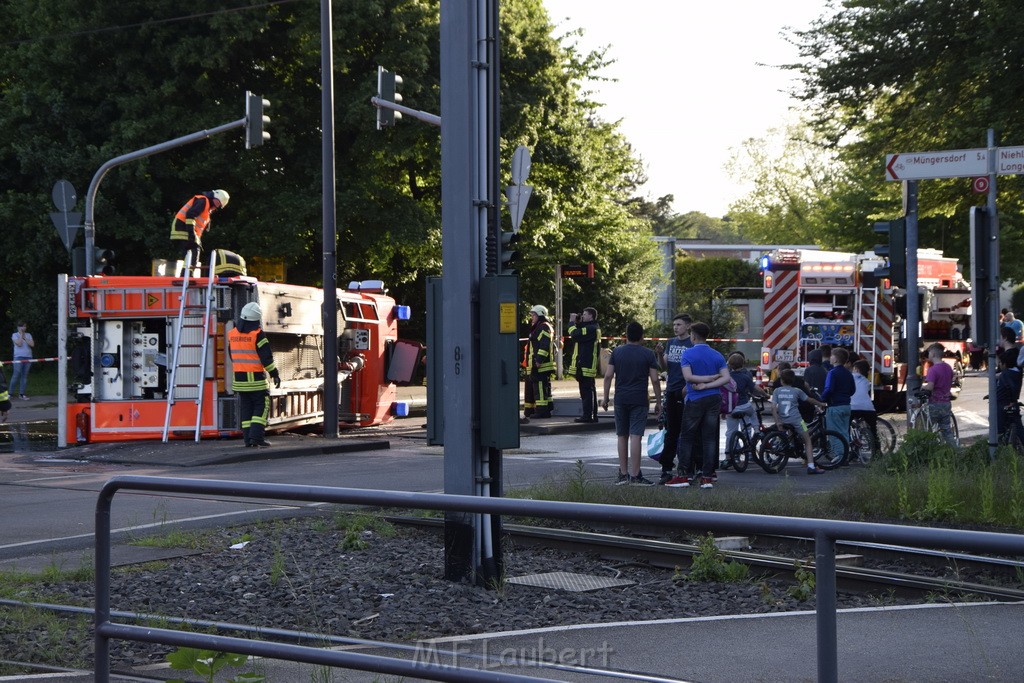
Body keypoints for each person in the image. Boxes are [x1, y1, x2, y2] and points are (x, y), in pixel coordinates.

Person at [666, 322, 731, 489]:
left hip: (695, 399)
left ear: (693, 336)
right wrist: (710, 382)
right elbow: (726, 378)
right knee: (709, 438)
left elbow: (688, 377)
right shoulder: (717, 355)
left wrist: (703, 383)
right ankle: (707, 477)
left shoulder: (688, 354)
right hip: (714, 398)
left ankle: (683, 476)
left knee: (687, 437)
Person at [601, 322, 661, 485]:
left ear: (626, 335)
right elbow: (655, 379)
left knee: (622, 436)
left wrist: (606, 398)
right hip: (640, 399)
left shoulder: (617, 352)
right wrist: (659, 402)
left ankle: (623, 474)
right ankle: (635, 476)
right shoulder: (648, 354)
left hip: (620, 399)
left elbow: (608, 376)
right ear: (642, 336)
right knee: (636, 435)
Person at [228, 301, 281, 447]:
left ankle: (247, 440)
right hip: (256, 381)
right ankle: (256, 438)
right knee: (261, 406)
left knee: (246, 410)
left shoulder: (232, 334)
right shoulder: (257, 335)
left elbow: (232, 356)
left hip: (239, 381)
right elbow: (266, 358)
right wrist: (274, 373)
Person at [654, 313, 693, 483]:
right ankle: (666, 467)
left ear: (687, 326)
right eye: (674, 324)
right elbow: (665, 366)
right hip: (671, 390)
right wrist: (659, 354)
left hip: (686, 391)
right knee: (671, 431)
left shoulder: (692, 343)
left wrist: (689, 386)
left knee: (687, 431)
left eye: (679, 324)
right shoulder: (671, 342)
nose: (676, 327)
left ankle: (688, 467)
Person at [770, 369, 827, 475]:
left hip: (783, 419)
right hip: (797, 421)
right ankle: (811, 466)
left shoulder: (777, 391)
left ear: (781, 381)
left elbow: (773, 408)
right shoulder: (797, 391)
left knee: (790, 433)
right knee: (808, 440)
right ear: (793, 380)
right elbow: (810, 400)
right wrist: (821, 404)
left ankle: (791, 447)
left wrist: (777, 422)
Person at [723, 352, 768, 468]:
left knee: (730, 432)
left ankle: (728, 456)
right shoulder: (745, 376)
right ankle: (757, 431)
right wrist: (765, 395)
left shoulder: (727, 377)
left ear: (730, 364)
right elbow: (755, 389)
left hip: (731, 408)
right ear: (743, 364)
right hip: (744, 405)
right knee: (752, 415)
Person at [170, 190, 230, 275]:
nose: (216, 207)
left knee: (190, 254)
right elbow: (190, 215)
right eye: (218, 204)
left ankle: (185, 275)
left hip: (184, 230)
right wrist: (192, 235)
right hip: (183, 229)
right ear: (215, 198)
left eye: (219, 206)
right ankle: (187, 276)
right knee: (194, 251)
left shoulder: (206, 207)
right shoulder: (203, 201)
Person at [567, 308, 601, 423]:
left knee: (586, 392)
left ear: (591, 316)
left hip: (586, 364)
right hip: (585, 364)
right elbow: (581, 332)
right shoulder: (591, 327)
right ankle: (592, 415)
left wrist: (571, 322)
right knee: (588, 390)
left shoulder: (591, 328)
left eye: (585, 314)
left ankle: (588, 416)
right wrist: (578, 322)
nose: (583, 316)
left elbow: (575, 335)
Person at [920, 343, 957, 446]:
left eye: (929, 352)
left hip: (935, 403)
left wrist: (922, 387)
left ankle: (932, 451)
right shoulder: (948, 367)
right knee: (946, 429)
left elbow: (930, 386)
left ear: (933, 354)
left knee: (928, 430)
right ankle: (954, 451)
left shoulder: (933, 370)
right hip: (946, 403)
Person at [523, 305, 555, 420]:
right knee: (540, 388)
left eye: (534, 315)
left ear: (540, 315)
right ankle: (540, 409)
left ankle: (542, 411)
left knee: (540, 388)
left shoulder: (543, 327)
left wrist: (539, 360)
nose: (532, 317)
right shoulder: (539, 327)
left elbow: (544, 345)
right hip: (536, 364)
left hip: (541, 365)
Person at [821, 347, 854, 457]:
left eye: (831, 356)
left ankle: (839, 456)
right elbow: (853, 389)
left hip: (835, 406)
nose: (830, 358)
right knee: (844, 432)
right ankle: (846, 454)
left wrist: (822, 399)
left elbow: (829, 389)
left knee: (834, 433)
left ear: (835, 359)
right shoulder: (848, 373)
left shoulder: (832, 373)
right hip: (846, 406)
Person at [849, 359, 879, 459]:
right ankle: (877, 452)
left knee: (845, 427)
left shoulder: (850, 377)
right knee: (873, 430)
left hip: (852, 408)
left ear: (856, 369)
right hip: (868, 409)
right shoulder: (867, 381)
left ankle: (850, 450)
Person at [995, 348, 1024, 447]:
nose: (999, 365)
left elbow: (1009, 387)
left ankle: (1000, 448)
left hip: (1003, 403)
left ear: (1005, 364)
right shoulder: (1018, 372)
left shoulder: (1006, 374)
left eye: (1000, 363)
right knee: (1019, 427)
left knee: (999, 429)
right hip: (1013, 402)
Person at [10, 321, 34, 400]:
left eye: (25, 326)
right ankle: (10, 394)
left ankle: (22, 394)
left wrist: (24, 337)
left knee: (24, 376)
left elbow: (32, 344)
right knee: (16, 375)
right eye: (22, 326)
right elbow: (19, 344)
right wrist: (21, 335)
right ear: (18, 327)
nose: (24, 328)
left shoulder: (28, 335)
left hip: (28, 357)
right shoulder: (14, 335)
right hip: (18, 357)